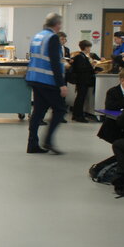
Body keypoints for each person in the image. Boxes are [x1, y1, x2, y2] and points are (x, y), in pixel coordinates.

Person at [26, 13, 68, 154]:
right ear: (57, 25)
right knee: (60, 109)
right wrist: (61, 84)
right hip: (48, 80)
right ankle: (48, 140)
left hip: (35, 78)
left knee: (38, 111)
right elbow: (55, 62)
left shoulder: (38, 36)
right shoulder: (52, 38)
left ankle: (32, 144)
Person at [70, 40, 98, 123]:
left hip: (83, 80)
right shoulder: (80, 57)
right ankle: (78, 115)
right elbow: (81, 69)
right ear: (86, 47)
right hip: (82, 80)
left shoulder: (83, 56)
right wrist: (91, 66)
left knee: (80, 97)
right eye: (89, 47)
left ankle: (76, 114)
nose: (90, 49)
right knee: (81, 98)